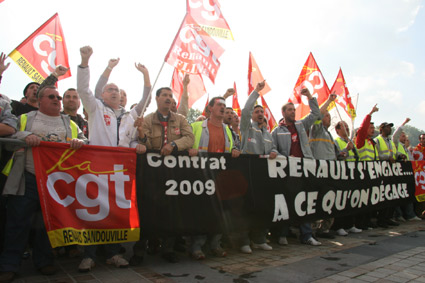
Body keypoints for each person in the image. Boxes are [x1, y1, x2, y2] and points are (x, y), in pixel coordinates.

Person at [0, 84, 87, 283]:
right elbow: (10, 135)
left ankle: (44, 261)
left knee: (47, 224)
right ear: (40, 101)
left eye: (58, 97)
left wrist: (79, 142)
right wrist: (25, 136)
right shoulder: (24, 119)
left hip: (55, 182)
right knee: (17, 223)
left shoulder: (70, 122)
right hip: (27, 178)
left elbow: (85, 140)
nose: (57, 100)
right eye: (51, 97)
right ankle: (9, 266)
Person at [77, 46, 150, 271]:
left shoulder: (130, 116)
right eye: (110, 89)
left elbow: (145, 100)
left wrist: (146, 75)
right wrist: (85, 60)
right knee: (93, 212)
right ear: (102, 95)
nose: (115, 92)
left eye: (117, 89)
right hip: (96, 169)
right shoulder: (96, 108)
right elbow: (84, 88)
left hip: (120, 173)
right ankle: (88, 255)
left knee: (114, 213)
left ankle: (112, 253)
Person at [133, 85, 194, 264]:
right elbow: (143, 142)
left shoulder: (181, 119)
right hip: (151, 174)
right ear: (157, 98)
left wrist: (174, 146)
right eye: (164, 95)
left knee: (172, 211)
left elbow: (189, 138)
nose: (168, 98)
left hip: (174, 173)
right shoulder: (147, 119)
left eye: (170, 95)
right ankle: (139, 251)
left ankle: (168, 249)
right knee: (147, 210)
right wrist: (141, 133)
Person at [189, 96, 240, 259]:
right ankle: (197, 247)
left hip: (221, 179)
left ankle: (214, 245)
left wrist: (235, 150)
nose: (223, 107)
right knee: (202, 213)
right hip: (201, 177)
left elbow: (233, 147)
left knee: (220, 214)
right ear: (210, 108)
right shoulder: (196, 126)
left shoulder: (228, 130)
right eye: (219, 104)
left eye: (225, 105)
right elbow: (186, 144)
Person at [271, 88, 321, 246]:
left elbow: (315, 114)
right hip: (287, 170)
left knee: (304, 202)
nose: (293, 112)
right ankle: (282, 234)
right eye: (290, 110)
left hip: (305, 167)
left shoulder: (301, 124)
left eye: (294, 110)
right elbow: (273, 149)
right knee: (286, 202)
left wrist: (309, 97)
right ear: (283, 112)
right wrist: (284, 158)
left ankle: (307, 235)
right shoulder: (276, 131)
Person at [237, 81, 277, 254]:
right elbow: (244, 111)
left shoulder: (268, 134)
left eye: (262, 111)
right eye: (257, 111)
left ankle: (260, 239)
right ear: (252, 115)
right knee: (246, 209)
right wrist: (256, 92)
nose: (260, 113)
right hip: (247, 175)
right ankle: (244, 242)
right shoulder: (246, 127)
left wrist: (274, 151)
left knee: (262, 207)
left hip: (263, 177)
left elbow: (273, 148)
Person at [308, 94, 339, 240]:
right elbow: (318, 115)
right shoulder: (317, 129)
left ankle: (325, 229)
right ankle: (313, 230)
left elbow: (335, 153)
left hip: (330, 171)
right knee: (317, 200)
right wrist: (329, 101)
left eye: (329, 116)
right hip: (319, 170)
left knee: (329, 199)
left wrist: (344, 153)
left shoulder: (329, 135)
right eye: (327, 115)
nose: (328, 117)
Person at [331, 121, 363, 236]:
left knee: (352, 200)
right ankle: (338, 226)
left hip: (353, 174)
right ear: (338, 130)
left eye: (348, 126)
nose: (347, 128)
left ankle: (350, 225)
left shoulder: (351, 142)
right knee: (341, 201)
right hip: (342, 174)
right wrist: (346, 149)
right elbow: (337, 156)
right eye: (344, 126)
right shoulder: (336, 141)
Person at [392, 118, 421, 222]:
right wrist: (403, 123)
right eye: (403, 136)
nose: (405, 138)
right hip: (398, 174)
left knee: (409, 193)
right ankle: (399, 215)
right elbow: (395, 135)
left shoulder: (404, 147)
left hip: (407, 174)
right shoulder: (396, 144)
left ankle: (409, 214)